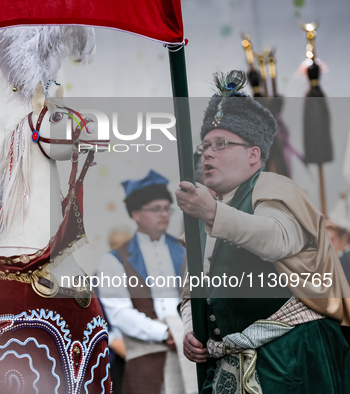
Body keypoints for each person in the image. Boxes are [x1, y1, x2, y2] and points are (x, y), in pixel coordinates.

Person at [176, 70, 350, 393]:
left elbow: (276, 239)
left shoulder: (275, 188)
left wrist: (212, 212)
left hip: (292, 359)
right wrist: (191, 329)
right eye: (205, 146)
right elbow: (190, 289)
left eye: (222, 144)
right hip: (232, 365)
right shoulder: (202, 209)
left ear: (253, 155)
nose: (208, 154)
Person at [98, 170, 185, 394]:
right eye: (156, 209)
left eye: (167, 208)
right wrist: (164, 333)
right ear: (136, 214)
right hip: (144, 355)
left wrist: (185, 332)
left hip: (188, 351)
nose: (164, 214)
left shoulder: (185, 251)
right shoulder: (114, 260)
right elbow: (118, 312)